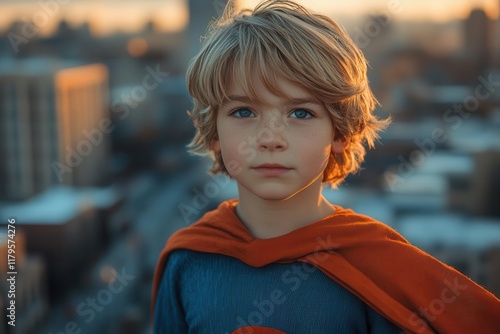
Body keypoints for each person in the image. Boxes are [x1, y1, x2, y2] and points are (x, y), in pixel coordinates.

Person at [151, 1, 500, 333]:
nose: (271, 139)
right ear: (214, 133)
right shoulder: (187, 262)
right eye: (243, 111)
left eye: (301, 113)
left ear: (340, 133)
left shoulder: (383, 270)